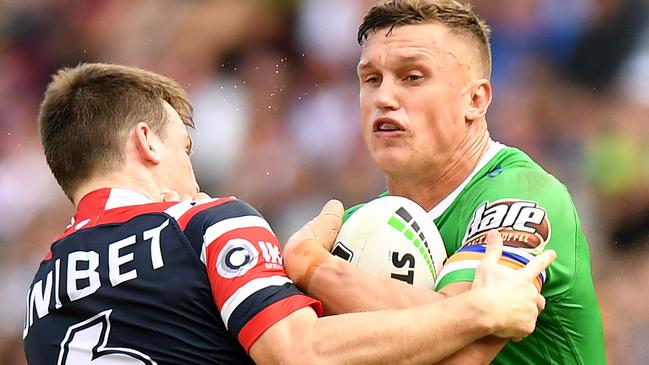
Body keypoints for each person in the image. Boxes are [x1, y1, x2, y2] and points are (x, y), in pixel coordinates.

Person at [22, 62, 555, 365]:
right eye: (185, 148)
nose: (195, 176)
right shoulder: (203, 223)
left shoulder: (39, 293)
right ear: (147, 142)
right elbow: (298, 354)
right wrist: (476, 312)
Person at [283, 0, 606, 364]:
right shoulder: (359, 228)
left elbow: (461, 350)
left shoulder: (522, 196)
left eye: (412, 77)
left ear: (475, 99)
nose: (384, 98)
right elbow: (291, 349)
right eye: (371, 79)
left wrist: (310, 265)